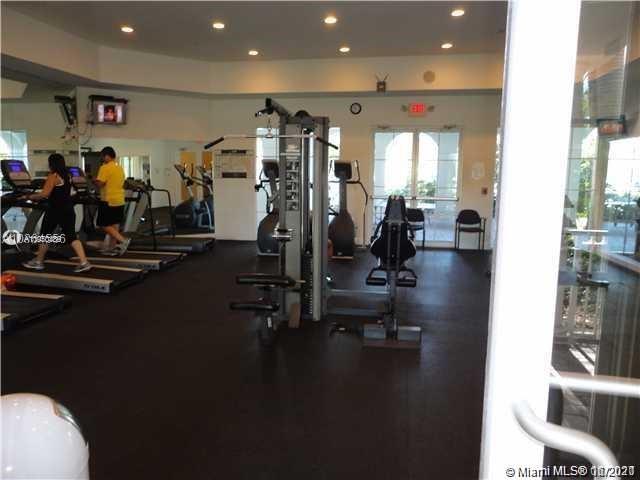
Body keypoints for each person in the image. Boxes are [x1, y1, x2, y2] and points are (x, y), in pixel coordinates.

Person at [22, 154, 92, 272]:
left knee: (45, 235)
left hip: (55, 211)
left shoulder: (53, 176)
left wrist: (28, 196)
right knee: (72, 237)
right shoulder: (68, 175)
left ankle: (39, 262)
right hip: (68, 209)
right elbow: (69, 192)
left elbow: (44, 194)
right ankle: (84, 262)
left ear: (52, 164)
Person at [94, 146, 130, 255]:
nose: (102, 159)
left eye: (102, 156)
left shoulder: (105, 167)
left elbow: (100, 184)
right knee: (114, 225)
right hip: (119, 200)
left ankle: (123, 241)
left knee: (103, 224)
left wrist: (93, 180)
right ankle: (111, 248)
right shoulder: (119, 167)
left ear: (107, 156)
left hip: (108, 200)